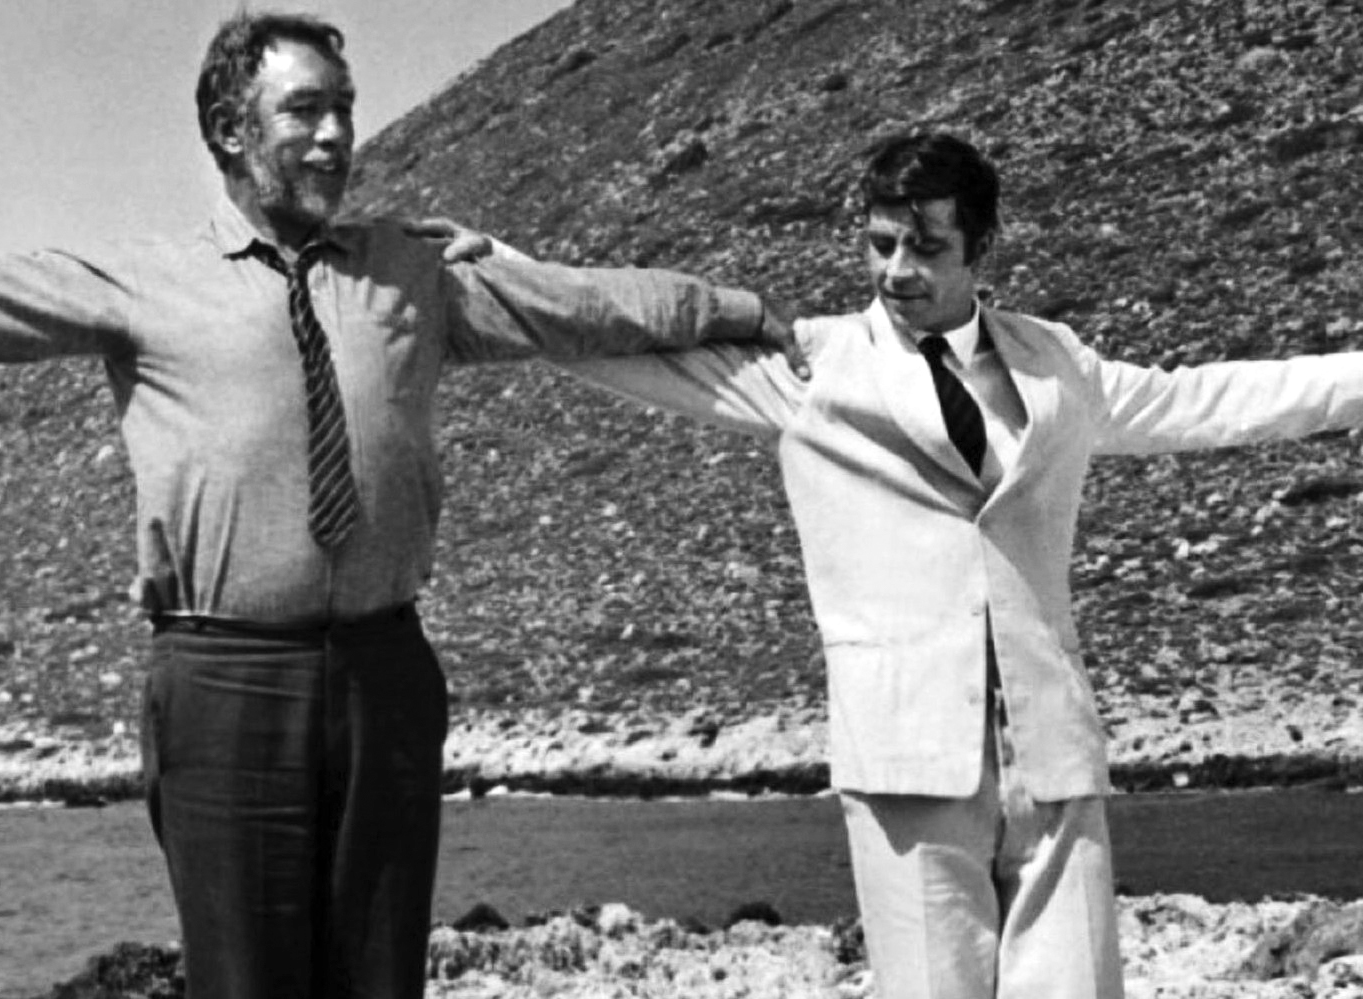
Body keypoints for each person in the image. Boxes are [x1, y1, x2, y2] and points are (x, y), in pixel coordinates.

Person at [0, 12, 798, 999]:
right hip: (224, 681)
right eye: (305, 112)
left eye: (343, 108)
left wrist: (738, 306)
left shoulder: (411, 269)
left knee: (380, 978)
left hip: (388, 673)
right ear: (231, 132)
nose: (335, 134)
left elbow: (584, 307)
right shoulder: (147, 283)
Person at [558, 132, 1363, 998]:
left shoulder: (1054, 361)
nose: (896, 270)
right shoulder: (809, 365)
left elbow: (1209, 399)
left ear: (980, 247)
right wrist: (488, 271)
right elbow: (608, 341)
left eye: (926, 247)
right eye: (879, 244)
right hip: (905, 760)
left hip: (1051, 755)